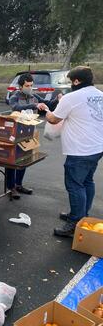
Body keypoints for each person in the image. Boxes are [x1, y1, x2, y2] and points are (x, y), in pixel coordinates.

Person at [43, 66, 103, 237]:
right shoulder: (99, 95)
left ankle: (75, 222)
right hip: (97, 147)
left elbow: (54, 119)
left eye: (71, 81)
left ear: (77, 81)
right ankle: (82, 214)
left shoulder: (71, 97)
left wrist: (47, 111)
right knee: (87, 181)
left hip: (80, 150)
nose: (70, 84)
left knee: (75, 185)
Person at [5, 73, 50, 199]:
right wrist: (34, 105)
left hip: (28, 132)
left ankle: (19, 184)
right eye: (27, 85)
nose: (29, 88)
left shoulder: (33, 96)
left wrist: (58, 99)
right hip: (15, 133)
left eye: (31, 85)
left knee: (24, 160)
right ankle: (11, 187)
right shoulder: (15, 97)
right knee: (12, 161)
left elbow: (47, 103)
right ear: (20, 86)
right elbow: (16, 107)